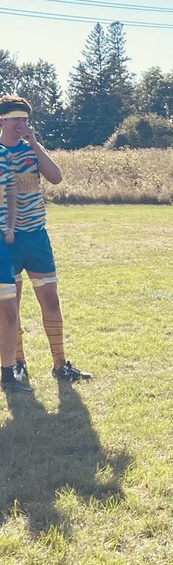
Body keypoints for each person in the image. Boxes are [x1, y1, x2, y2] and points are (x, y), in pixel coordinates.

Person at [0, 96, 91, 384]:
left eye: (25, 120)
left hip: (37, 237)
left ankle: (60, 364)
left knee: (51, 301)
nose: (21, 125)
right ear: (2, 121)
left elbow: (56, 177)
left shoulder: (31, 151)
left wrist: (36, 144)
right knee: (12, 307)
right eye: (16, 119)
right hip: (8, 242)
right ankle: (18, 363)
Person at [0, 146, 31, 393]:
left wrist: (10, 225)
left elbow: (11, 194)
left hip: (2, 244)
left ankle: (8, 376)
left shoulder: (4, 155)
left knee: (9, 313)